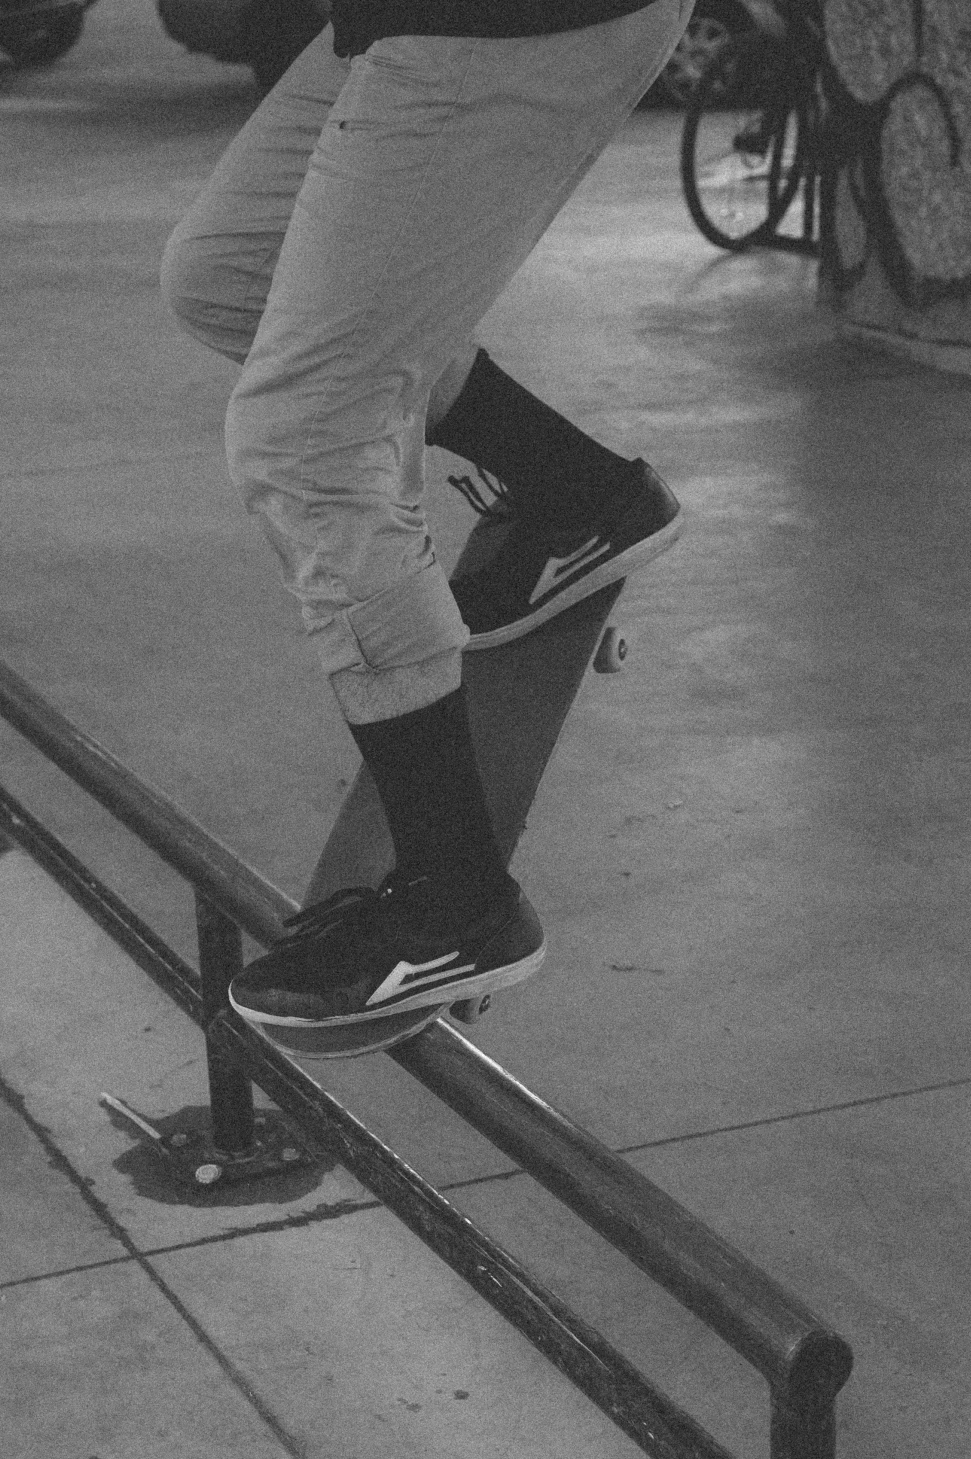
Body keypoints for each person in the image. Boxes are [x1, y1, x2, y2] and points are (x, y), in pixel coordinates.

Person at [162, 0, 692, 1049]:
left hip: (514, 23)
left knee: (305, 434)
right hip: (395, 18)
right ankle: (583, 491)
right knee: (225, 277)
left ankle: (459, 902)